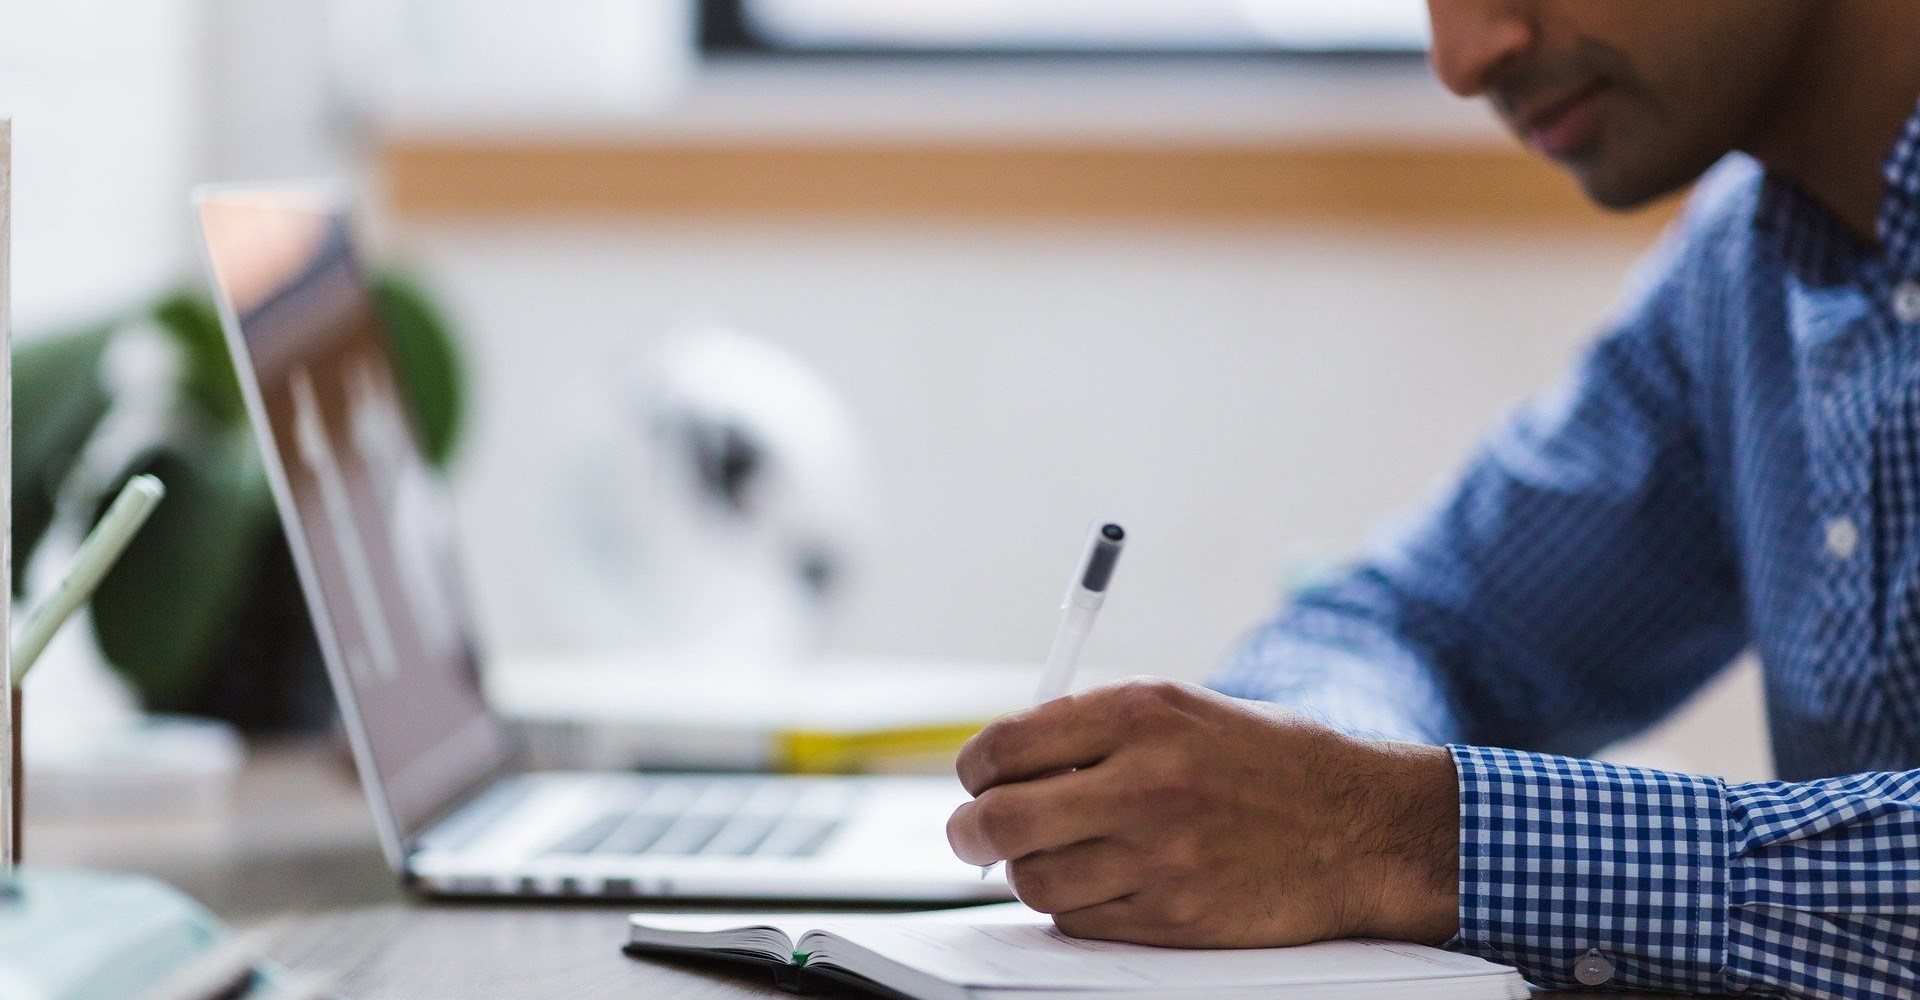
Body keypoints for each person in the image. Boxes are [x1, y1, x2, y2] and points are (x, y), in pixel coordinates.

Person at [944, 2, 1920, 995]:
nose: (1462, 60)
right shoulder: (1744, 264)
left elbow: (1386, 810)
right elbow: (1420, 620)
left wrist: (1400, 834)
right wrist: (1301, 782)